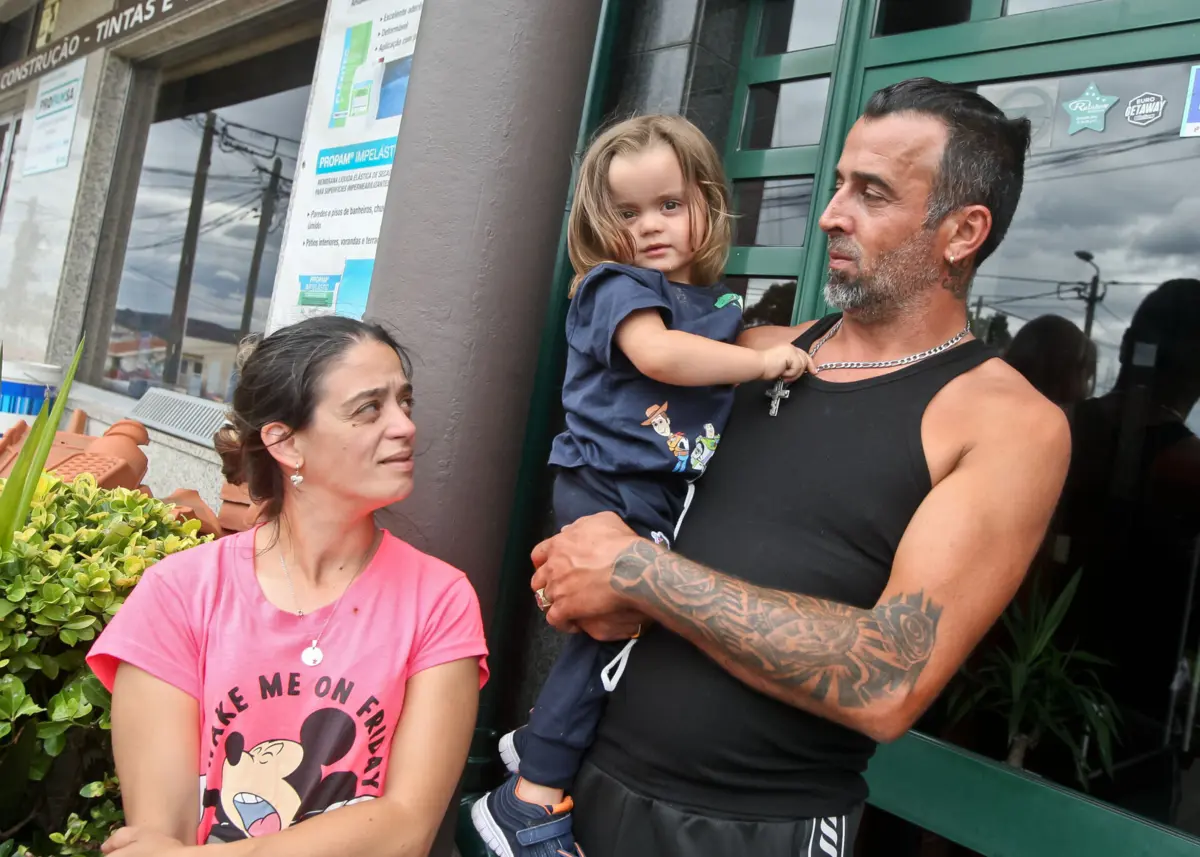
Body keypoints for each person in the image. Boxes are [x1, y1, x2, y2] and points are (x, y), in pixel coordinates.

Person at [528, 78, 1071, 857]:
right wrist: (573, 572)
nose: (830, 214)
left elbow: (886, 680)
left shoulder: (1006, 424)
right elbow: (594, 499)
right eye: (839, 182)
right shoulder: (750, 353)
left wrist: (638, 574)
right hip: (585, 790)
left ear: (962, 231)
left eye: (871, 192)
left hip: (755, 829)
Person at [471, 114, 810, 857]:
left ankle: (534, 743)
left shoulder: (716, 304)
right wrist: (759, 365)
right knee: (616, 632)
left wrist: (825, 341)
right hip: (605, 483)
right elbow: (660, 355)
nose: (649, 226)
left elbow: (735, 341)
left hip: (660, 492)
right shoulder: (612, 287)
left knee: (628, 631)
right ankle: (526, 799)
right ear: (601, 221)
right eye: (626, 213)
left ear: (707, 204)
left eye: (669, 205)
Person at [86, 316, 490, 855]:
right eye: (370, 408)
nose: (405, 426)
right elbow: (165, 826)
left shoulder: (440, 600)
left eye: (404, 402)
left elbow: (404, 829)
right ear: (284, 442)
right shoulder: (179, 594)